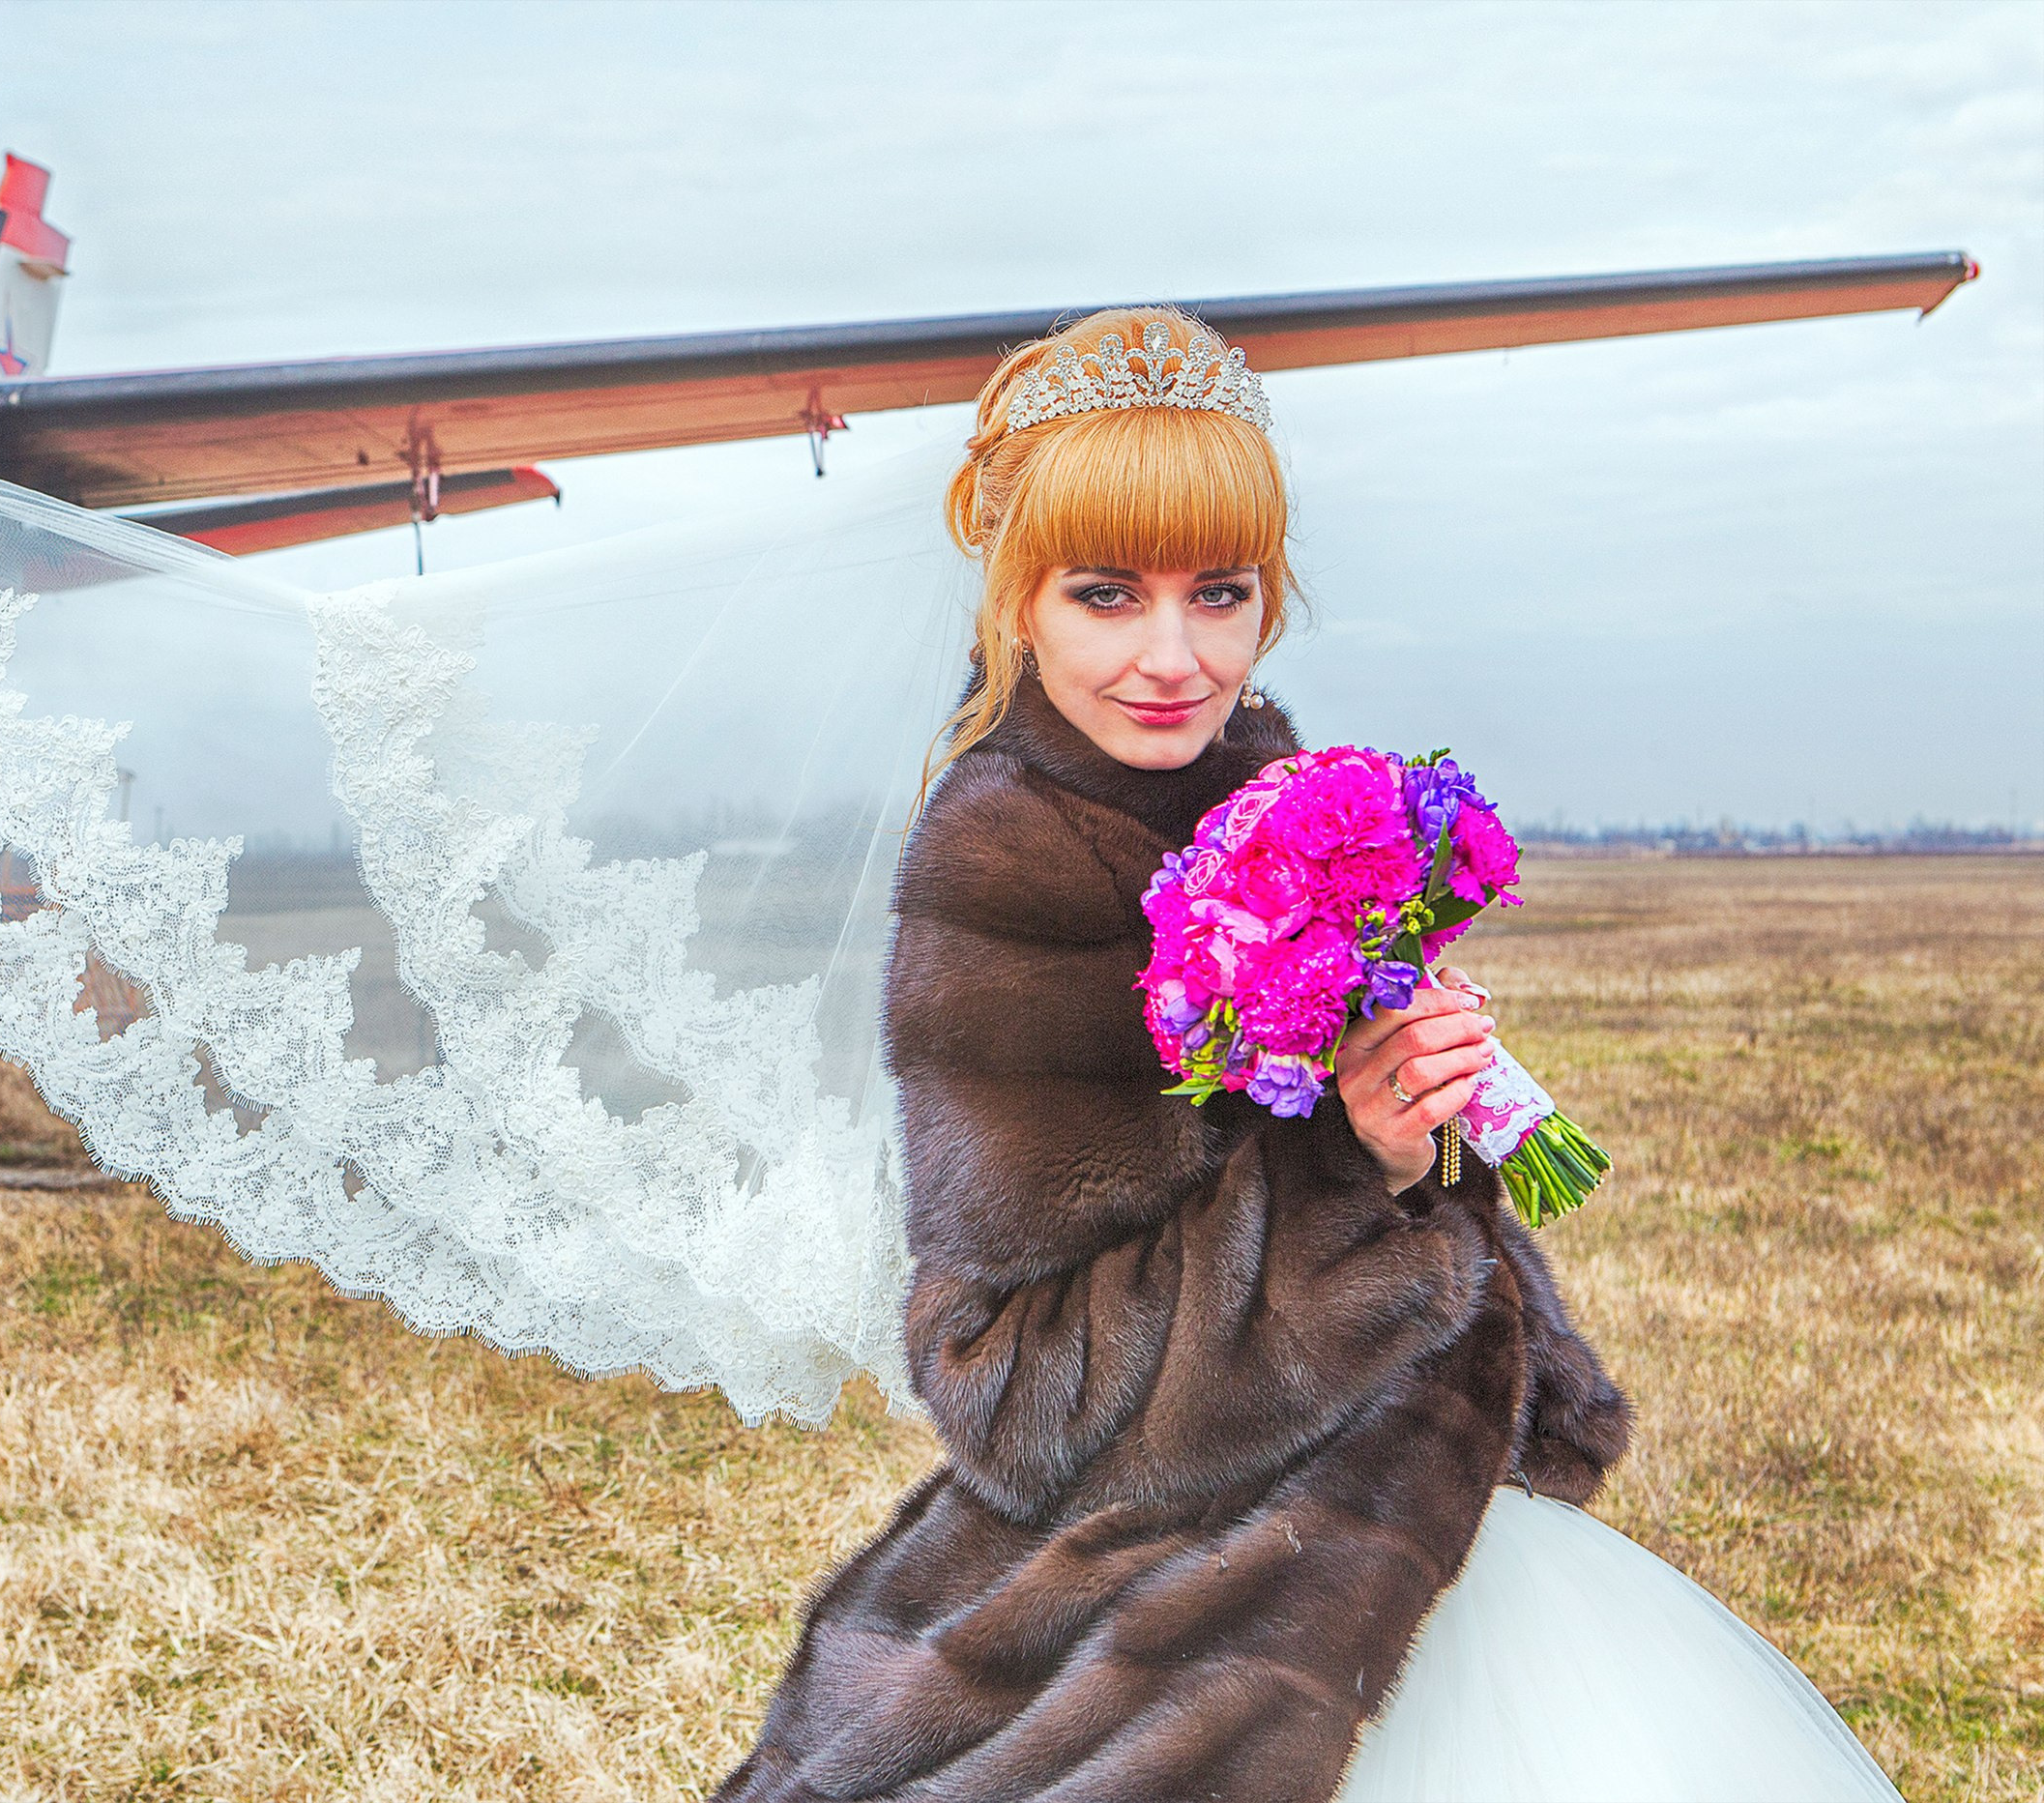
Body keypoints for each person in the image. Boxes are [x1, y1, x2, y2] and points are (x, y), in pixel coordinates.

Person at [712, 308, 1902, 1803]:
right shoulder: (1006, 871)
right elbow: (1011, 1394)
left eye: (1221, 592)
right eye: (1105, 594)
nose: (1173, 654)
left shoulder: (1268, 788)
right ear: (1018, 604)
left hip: (1404, 1479)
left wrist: (1426, 1110)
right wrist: (1348, 1163)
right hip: (1191, 1578)